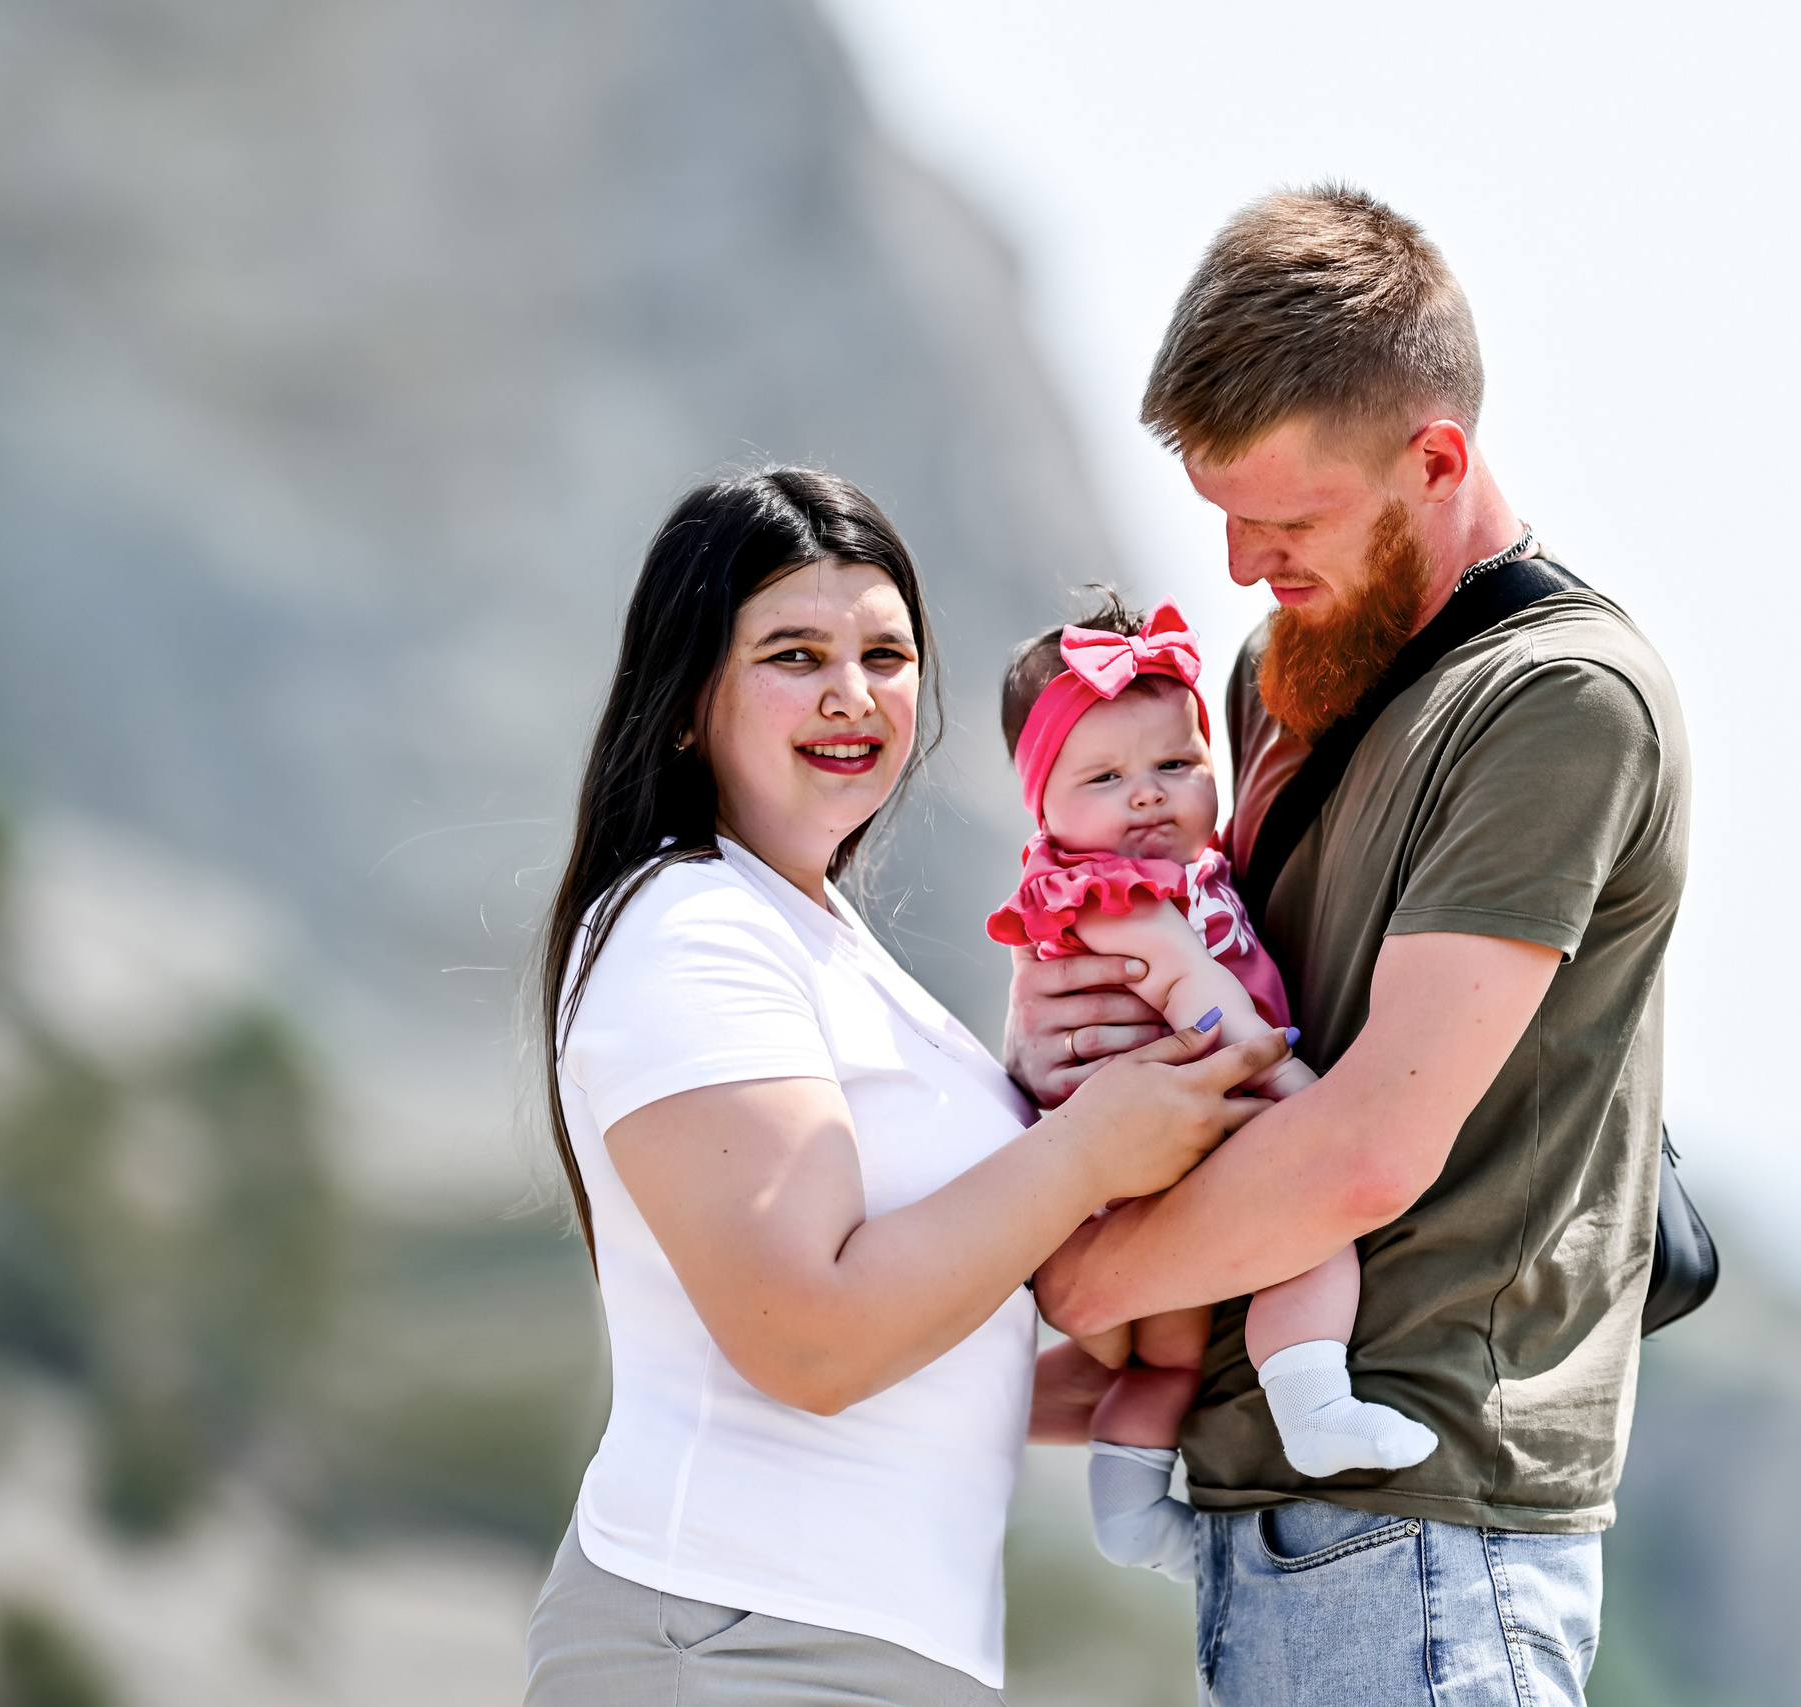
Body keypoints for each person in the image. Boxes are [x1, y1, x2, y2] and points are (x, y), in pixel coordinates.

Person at [1016, 188, 1691, 1707]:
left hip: (1428, 1533)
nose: (1246, 563)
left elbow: (1363, 1150)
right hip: (1268, 1524)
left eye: (1288, 518)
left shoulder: (1558, 701)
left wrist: (1066, 1265)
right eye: (1222, 514)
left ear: (1434, 458)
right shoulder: (1275, 675)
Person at [521, 468, 1294, 1706]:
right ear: (683, 703)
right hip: (732, 1641)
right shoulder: (692, 930)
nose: (851, 693)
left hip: (877, 1649)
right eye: (793, 652)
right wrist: (1088, 1153)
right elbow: (813, 1340)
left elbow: (926, 1334)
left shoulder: (833, 948)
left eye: (886, 653)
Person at [985, 592, 1438, 1585]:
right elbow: (1195, 993)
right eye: (1106, 777)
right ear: (1044, 806)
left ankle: (1136, 1520)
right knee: (1311, 1230)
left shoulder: (1189, 873)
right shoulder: (1108, 895)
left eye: (1177, 766)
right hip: (1161, 1147)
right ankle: (1313, 1405)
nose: (1148, 796)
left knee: (1166, 1368)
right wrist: (1290, 1080)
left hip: (1145, 1168)